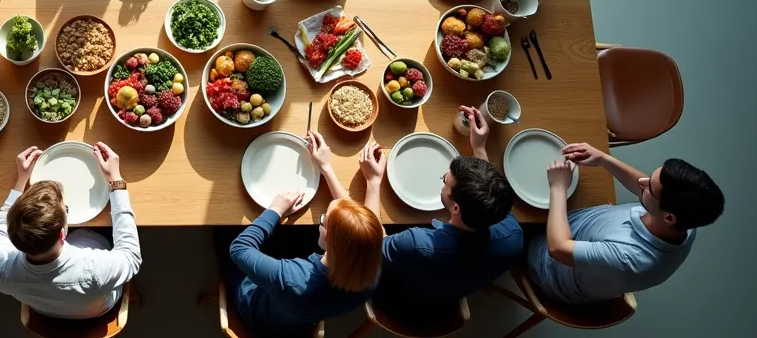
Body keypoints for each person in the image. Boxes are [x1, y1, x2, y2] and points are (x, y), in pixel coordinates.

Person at [222, 134, 383, 335]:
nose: (320, 220)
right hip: (299, 319)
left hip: (255, 306)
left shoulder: (292, 278)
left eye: (323, 218)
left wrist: (275, 210)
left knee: (224, 228)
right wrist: (326, 168)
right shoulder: (370, 269)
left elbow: (238, 248)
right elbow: (370, 226)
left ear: (329, 238)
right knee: (299, 233)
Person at [527, 143, 724, 305]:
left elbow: (558, 248)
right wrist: (604, 159)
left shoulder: (628, 258)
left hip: (546, 261)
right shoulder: (686, 222)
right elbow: (648, 189)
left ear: (669, 217)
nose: (642, 182)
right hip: (577, 224)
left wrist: (558, 187)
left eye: (649, 187)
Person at [374, 107, 522, 313]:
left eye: (445, 180)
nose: (443, 178)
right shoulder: (513, 233)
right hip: (447, 299)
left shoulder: (417, 244)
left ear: (455, 207)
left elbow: (369, 245)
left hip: (397, 299)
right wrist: (479, 147)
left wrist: (373, 182)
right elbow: (490, 194)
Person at [0, 143, 140, 320]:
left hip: (44, 310)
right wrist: (116, 181)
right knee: (98, 233)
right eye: (66, 208)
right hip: (99, 308)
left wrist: (21, 181)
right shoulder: (96, 269)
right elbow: (131, 257)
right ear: (62, 235)